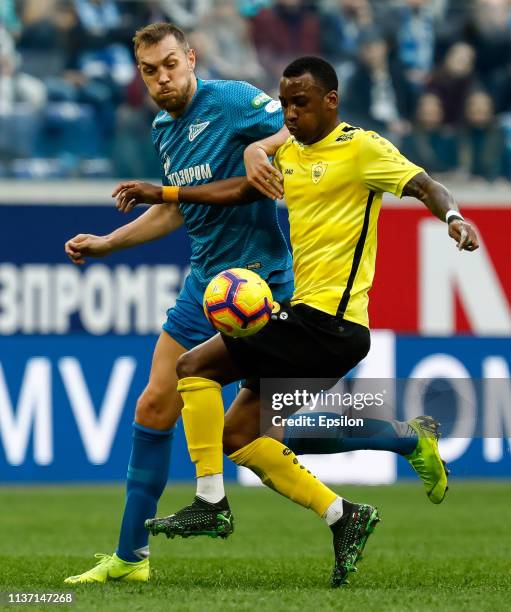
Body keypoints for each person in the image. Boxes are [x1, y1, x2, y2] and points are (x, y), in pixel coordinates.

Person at [63, 25, 449, 586]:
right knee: (156, 408)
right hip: (207, 288)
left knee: (262, 429)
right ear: (140, 74)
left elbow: (301, 135)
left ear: (191, 58)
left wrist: (254, 148)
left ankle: (395, 442)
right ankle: (130, 557)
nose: (163, 77)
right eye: (151, 70)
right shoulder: (162, 129)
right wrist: (108, 242)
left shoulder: (238, 100)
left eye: (171, 63)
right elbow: (177, 212)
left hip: (259, 289)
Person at [144, 56, 479, 585]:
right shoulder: (291, 153)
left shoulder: (363, 148)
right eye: (285, 103)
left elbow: (425, 186)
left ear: (331, 101)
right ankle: (352, 506)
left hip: (332, 324)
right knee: (243, 437)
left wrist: (454, 218)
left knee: (193, 368)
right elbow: (238, 191)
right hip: (308, 322)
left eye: (301, 103)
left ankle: (210, 501)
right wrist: (166, 192)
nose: (291, 114)